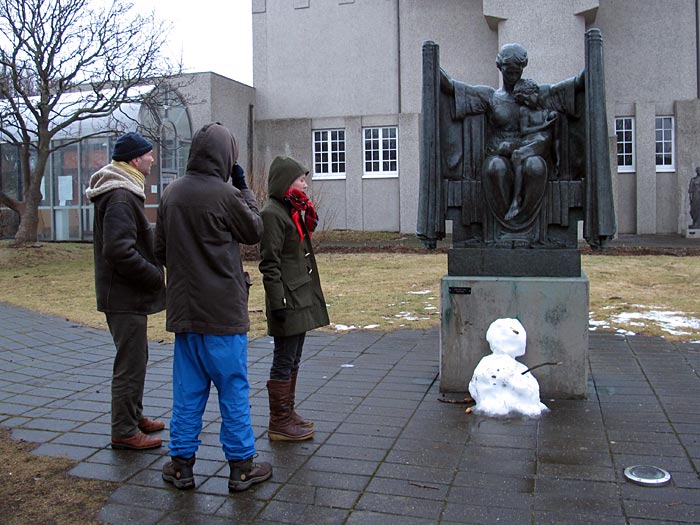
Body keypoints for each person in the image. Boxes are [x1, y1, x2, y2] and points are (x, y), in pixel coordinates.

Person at [155, 122, 271, 493]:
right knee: (232, 391)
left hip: (185, 315)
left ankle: (181, 466)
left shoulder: (171, 194)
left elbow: (159, 251)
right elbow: (254, 230)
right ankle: (241, 468)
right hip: (223, 316)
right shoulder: (226, 195)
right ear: (227, 157)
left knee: (187, 394)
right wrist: (243, 187)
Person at [85, 131, 166, 451]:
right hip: (123, 295)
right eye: (149, 154)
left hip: (124, 294)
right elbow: (119, 250)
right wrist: (153, 277)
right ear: (135, 159)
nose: (153, 159)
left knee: (137, 357)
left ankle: (134, 417)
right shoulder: (120, 195)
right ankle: (124, 430)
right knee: (130, 362)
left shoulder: (124, 190)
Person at [259, 156, 329, 441]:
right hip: (287, 300)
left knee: (294, 357)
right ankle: (279, 421)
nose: (306, 183)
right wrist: (278, 304)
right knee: (284, 358)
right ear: (287, 182)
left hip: (299, 296)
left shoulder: (291, 210)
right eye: (301, 179)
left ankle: (288, 413)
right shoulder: (272, 214)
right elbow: (269, 264)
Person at [505, 78, 558, 220]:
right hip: (529, 140)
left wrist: (556, 160)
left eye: (528, 99)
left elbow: (555, 138)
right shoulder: (524, 110)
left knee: (517, 155)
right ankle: (516, 198)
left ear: (535, 93)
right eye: (524, 101)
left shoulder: (548, 113)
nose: (527, 103)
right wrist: (545, 125)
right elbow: (524, 130)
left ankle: (516, 200)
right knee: (514, 154)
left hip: (542, 141)